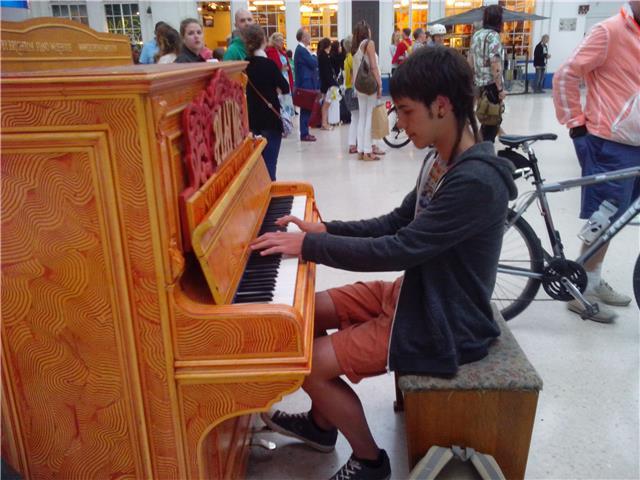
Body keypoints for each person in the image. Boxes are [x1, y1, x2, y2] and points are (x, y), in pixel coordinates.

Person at [253, 46, 517, 480]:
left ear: (441, 106)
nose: (399, 123)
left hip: (443, 321)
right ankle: (322, 427)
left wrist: (308, 247)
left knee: (305, 363)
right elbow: (397, 221)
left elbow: (400, 247)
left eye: (407, 112)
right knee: (302, 313)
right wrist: (326, 231)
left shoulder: (476, 182)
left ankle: (370, 461)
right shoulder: (441, 157)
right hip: (413, 295)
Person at [552, 2, 640, 323]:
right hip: (611, 144)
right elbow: (565, 75)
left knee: (616, 221)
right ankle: (581, 291)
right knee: (604, 219)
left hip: (635, 144)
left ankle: (592, 278)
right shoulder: (609, 32)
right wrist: (576, 125)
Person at [244, 25, 290, 181]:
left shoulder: (244, 65)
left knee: (256, 165)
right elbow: (285, 87)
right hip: (270, 119)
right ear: (263, 40)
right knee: (270, 164)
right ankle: (269, 197)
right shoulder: (269, 65)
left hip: (252, 120)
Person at [468, 5, 505, 143]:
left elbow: (470, 61)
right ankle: (483, 154)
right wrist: (500, 89)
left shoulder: (477, 35)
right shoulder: (493, 36)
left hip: (479, 85)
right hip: (491, 87)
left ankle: (478, 148)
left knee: (486, 121)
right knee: (491, 124)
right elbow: (495, 65)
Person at [352, 21, 384, 161]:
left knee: (362, 117)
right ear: (367, 31)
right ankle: (367, 151)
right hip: (370, 85)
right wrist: (380, 83)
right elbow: (373, 67)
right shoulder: (369, 43)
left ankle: (361, 151)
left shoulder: (357, 46)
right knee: (369, 117)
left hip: (360, 86)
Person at [294, 28, 320, 142]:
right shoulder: (301, 50)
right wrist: (314, 55)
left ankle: (305, 132)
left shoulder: (303, 50)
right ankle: (304, 133)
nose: (309, 37)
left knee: (307, 109)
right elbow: (313, 63)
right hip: (306, 84)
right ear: (303, 38)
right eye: (308, 36)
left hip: (307, 82)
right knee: (305, 108)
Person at [318, 37, 338, 130]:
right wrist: (332, 84)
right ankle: (324, 124)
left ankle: (324, 123)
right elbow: (326, 73)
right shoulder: (324, 57)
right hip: (328, 84)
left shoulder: (323, 55)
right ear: (328, 45)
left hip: (326, 84)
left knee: (326, 104)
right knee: (326, 105)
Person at [343, 36, 359, 155]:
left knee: (355, 118)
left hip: (348, 89)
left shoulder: (346, 58)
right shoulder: (352, 58)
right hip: (353, 90)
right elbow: (354, 75)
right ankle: (354, 144)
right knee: (357, 119)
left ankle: (352, 143)